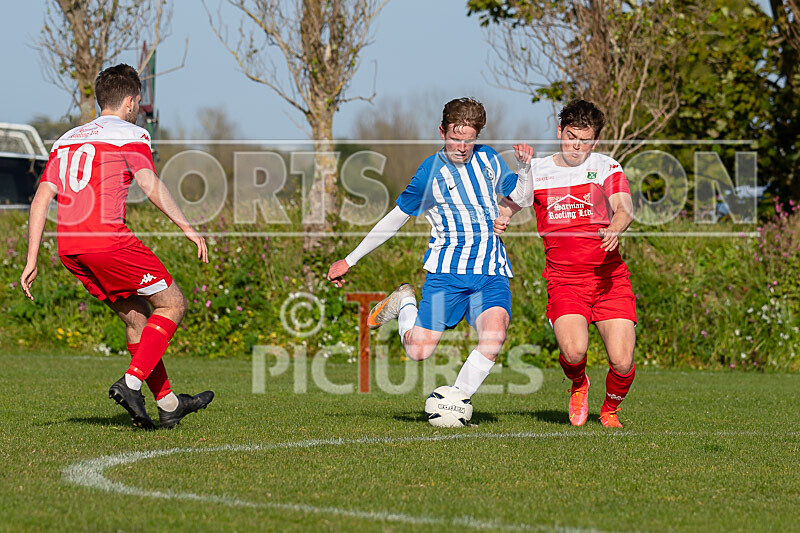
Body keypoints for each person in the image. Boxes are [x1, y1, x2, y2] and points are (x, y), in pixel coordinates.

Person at [20, 64, 214, 430]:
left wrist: (31, 259)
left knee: (137, 317)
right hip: (108, 240)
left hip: (71, 248)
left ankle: (169, 403)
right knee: (173, 303)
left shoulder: (67, 139)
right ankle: (130, 383)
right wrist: (187, 227)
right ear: (129, 101)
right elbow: (148, 182)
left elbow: (40, 199)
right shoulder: (131, 134)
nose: (138, 109)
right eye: (138, 102)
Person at [327, 97, 533, 404]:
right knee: (418, 351)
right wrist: (350, 259)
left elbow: (522, 197)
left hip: (490, 272)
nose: (462, 147)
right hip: (447, 275)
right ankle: (405, 301)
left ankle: (455, 403)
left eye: (469, 140)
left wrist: (524, 168)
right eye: (454, 139)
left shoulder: (489, 159)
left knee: (494, 336)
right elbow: (394, 220)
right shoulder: (429, 173)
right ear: (442, 132)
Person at [495, 99, 636, 428]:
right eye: (572, 136)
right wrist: (501, 218)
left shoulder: (606, 167)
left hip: (608, 280)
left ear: (596, 141)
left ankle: (610, 409)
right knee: (573, 353)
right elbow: (509, 205)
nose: (578, 145)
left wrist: (614, 229)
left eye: (586, 139)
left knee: (623, 360)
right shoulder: (539, 171)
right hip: (565, 282)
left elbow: (624, 208)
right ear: (560, 131)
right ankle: (579, 384)